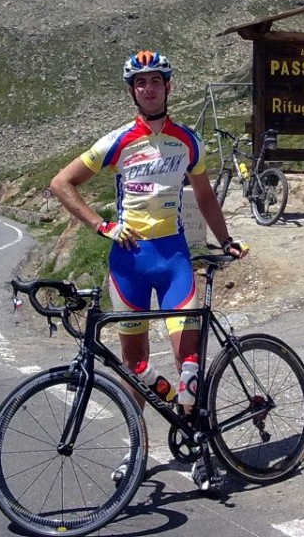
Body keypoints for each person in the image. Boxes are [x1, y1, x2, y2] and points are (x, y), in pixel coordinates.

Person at [49, 49, 248, 493]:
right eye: (140, 82)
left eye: (156, 80)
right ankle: (135, 450)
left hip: (174, 261)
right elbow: (62, 183)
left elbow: (206, 196)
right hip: (130, 265)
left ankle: (200, 451)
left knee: (188, 364)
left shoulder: (188, 140)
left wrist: (225, 240)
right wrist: (103, 226)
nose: (149, 87)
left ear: (168, 86)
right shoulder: (117, 141)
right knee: (134, 367)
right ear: (132, 91)